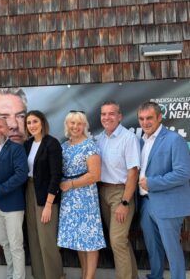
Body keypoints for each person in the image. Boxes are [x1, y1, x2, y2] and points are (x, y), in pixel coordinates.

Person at [137, 101, 190, 279]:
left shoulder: (174, 139)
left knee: (172, 250)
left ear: (159, 118)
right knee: (153, 247)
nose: (145, 122)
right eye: (141, 119)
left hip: (168, 203)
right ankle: (156, 276)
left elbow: (183, 173)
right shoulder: (141, 141)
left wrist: (153, 183)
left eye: (149, 118)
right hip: (146, 203)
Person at [57, 111, 105, 279]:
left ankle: (89, 277)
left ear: (84, 126)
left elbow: (95, 175)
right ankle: (84, 275)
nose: (75, 127)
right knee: (78, 239)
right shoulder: (63, 146)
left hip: (85, 197)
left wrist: (70, 184)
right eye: (72, 123)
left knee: (90, 240)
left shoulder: (90, 145)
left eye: (79, 123)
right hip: (68, 199)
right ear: (67, 125)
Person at [95, 101, 140, 279]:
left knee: (117, 241)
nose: (107, 117)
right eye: (103, 114)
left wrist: (125, 202)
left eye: (111, 114)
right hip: (103, 193)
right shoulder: (99, 138)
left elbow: (133, 173)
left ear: (120, 116)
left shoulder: (128, 138)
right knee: (120, 242)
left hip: (121, 193)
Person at [0, 117, 28, 279]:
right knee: (5, 244)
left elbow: (21, 175)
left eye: (0, 127)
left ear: (8, 129)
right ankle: (11, 275)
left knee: (16, 246)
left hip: (13, 206)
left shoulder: (16, 149)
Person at [23, 110, 64, 279]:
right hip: (29, 191)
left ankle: (54, 276)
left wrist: (48, 205)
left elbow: (56, 176)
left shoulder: (52, 143)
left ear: (42, 123)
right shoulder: (27, 144)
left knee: (47, 241)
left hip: (46, 195)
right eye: (29, 123)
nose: (32, 125)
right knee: (34, 239)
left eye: (35, 121)